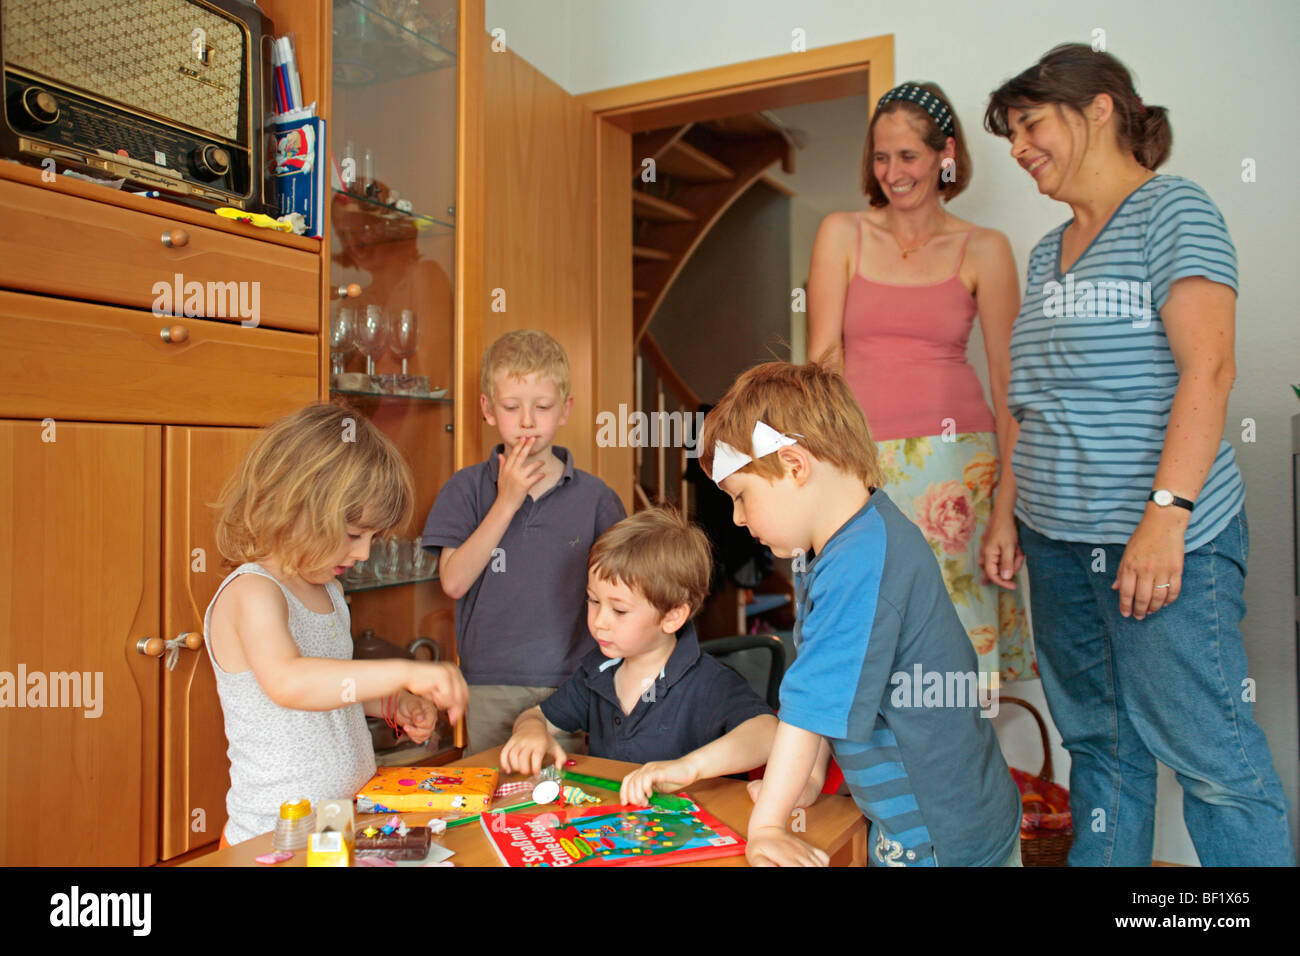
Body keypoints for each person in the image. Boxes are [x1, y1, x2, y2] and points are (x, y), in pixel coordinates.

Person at [984, 43, 1293, 866]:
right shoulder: (1050, 251)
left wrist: (1167, 518)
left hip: (1157, 541)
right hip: (1056, 542)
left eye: (1030, 124)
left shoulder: (1175, 212)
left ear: (1100, 108)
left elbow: (1211, 367)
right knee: (1099, 746)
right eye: (1010, 132)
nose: (1017, 147)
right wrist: (1008, 508)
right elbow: (1031, 400)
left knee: (1212, 759)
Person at [700, 361, 1021, 867]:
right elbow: (837, 688)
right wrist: (806, 778)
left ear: (794, 465)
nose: (738, 519)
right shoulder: (846, 547)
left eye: (741, 497)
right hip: (922, 824)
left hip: (939, 837)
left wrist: (768, 825)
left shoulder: (860, 562)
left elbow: (811, 700)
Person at [807, 81, 1033, 682]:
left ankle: (957, 778)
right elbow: (821, 371)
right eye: (881, 157)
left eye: (908, 156)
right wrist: (822, 480)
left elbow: (1014, 387)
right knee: (863, 640)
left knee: (956, 649)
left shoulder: (985, 248)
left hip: (959, 471)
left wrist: (1007, 511)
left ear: (945, 154)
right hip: (860, 466)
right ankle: (874, 780)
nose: (892, 172)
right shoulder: (842, 233)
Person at [205, 403, 468, 847]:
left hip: (341, 822)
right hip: (272, 839)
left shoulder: (326, 589)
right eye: (352, 534)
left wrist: (391, 703)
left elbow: (331, 689)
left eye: (372, 538)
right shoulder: (254, 592)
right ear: (294, 506)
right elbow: (290, 682)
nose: (364, 553)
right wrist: (404, 669)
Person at [422, 329, 626, 755]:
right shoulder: (465, 490)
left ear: (566, 409)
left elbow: (624, 590)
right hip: (488, 682)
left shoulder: (597, 499)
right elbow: (454, 582)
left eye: (543, 407)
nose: (528, 421)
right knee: (495, 800)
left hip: (575, 683)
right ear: (488, 409)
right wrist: (507, 501)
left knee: (569, 804)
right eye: (512, 407)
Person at [499, 506, 777, 807]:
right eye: (593, 601)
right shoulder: (597, 673)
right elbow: (538, 715)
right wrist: (530, 729)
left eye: (619, 610)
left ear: (672, 617)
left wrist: (690, 766)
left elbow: (767, 733)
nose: (599, 621)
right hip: (620, 834)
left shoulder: (710, 683)